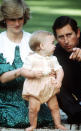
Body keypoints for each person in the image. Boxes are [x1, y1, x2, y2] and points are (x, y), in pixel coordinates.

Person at [0, 0, 52, 128]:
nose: (17, 23)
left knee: (42, 117)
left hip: (31, 97)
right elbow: (1, 79)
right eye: (12, 19)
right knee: (17, 119)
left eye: (20, 18)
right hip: (5, 99)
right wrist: (20, 72)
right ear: (4, 19)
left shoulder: (33, 40)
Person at [21, 30, 67, 131]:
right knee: (33, 109)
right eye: (52, 43)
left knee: (54, 107)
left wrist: (59, 81)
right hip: (35, 89)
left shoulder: (53, 59)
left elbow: (60, 70)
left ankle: (58, 124)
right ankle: (33, 125)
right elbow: (23, 71)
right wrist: (32, 74)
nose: (55, 45)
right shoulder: (31, 58)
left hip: (49, 88)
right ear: (42, 46)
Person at [52, 16, 81, 123]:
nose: (66, 41)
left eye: (69, 35)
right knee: (52, 81)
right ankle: (78, 115)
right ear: (56, 38)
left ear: (77, 32)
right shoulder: (56, 54)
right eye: (61, 37)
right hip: (79, 100)